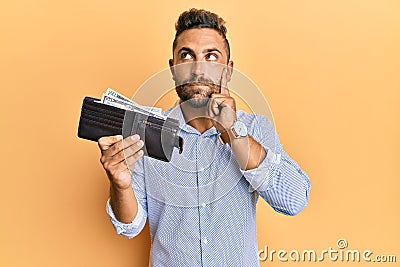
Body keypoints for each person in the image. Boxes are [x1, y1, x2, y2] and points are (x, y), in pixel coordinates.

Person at [97, 8, 311, 267]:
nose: (198, 68)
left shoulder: (255, 127)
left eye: (211, 56)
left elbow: (294, 199)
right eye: (187, 55)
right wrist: (120, 185)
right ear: (173, 69)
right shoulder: (147, 130)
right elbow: (129, 226)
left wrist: (233, 132)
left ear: (227, 71)